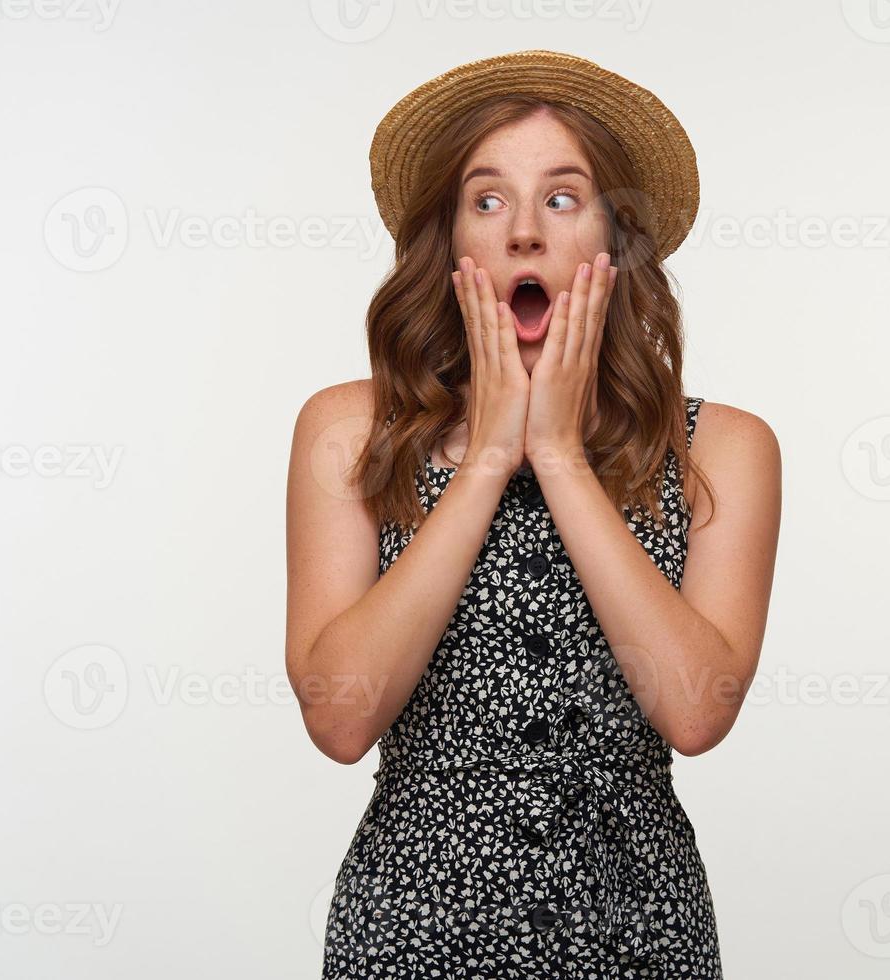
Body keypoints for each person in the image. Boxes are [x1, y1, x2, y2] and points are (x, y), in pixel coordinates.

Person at [284, 50, 781, 978]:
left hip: (639, 937)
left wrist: (557, 457)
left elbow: (697, 711)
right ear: (453, 244)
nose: (522, 234)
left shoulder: (724, 449)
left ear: (612, 241)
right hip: (411, 932)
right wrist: (486, 463)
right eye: (486, 200)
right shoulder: (349, 430)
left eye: (561, 198)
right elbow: (340, 721)